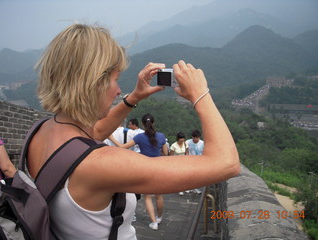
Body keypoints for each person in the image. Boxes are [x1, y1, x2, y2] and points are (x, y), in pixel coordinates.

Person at [28, 23, 240, 239]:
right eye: (115, 79)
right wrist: (201, 94)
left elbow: (95, 132)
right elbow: (226, 163)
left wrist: (135, 97)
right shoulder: (100, 164)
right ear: (92, 83)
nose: (119, 90)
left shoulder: (40, 132)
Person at [109, 113, 168, 230]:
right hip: (159, 168)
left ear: (142, 124)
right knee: (159, 196)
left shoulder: (140, 137)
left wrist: (111, 137)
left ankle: (154, 222)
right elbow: (165, 153)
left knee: (147, 197)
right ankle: (159, 217)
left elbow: (122, 147)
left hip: (145, 168)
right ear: (153, 123)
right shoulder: (161, 136)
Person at [185, 130, 205, 194]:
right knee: (189, 175)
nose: (195, 139)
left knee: (197, 176)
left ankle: (195, 188)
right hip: (190, 161)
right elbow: (185, 150)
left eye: (196, 137)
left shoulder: (202, 143)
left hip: (199, 162)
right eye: (193, 137)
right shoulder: (188, 142)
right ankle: (189, 187)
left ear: (199, 137)